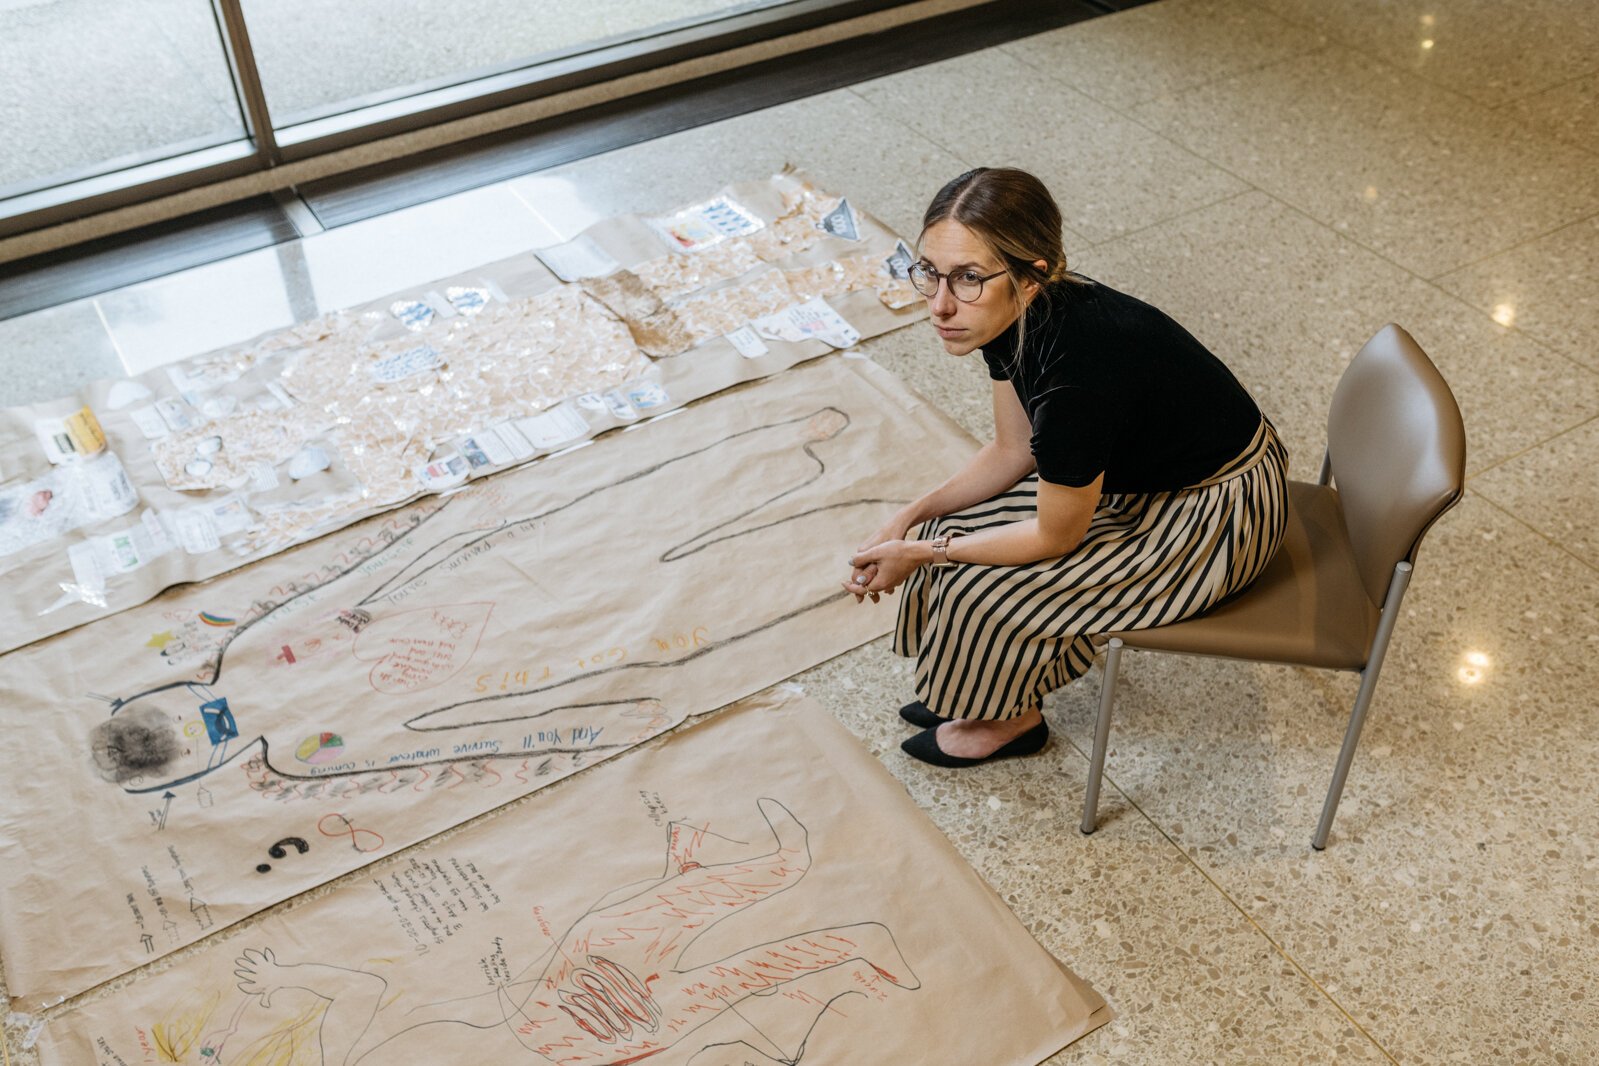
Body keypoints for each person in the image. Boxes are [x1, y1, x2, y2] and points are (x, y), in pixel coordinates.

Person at [844, 167, 1288, 768]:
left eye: (969, 278)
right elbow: (1012, 451)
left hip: (1216, 513)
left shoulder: (1076, 375)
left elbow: (1057, 535)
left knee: (984, 588)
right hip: (1144, 474)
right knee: (937, 530)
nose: (940, 305)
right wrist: (908, 517)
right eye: (930, 272)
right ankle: (974, 687)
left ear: (1033, 277)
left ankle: (1012, 717)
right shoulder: (1011, 319)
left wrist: (922, 555)